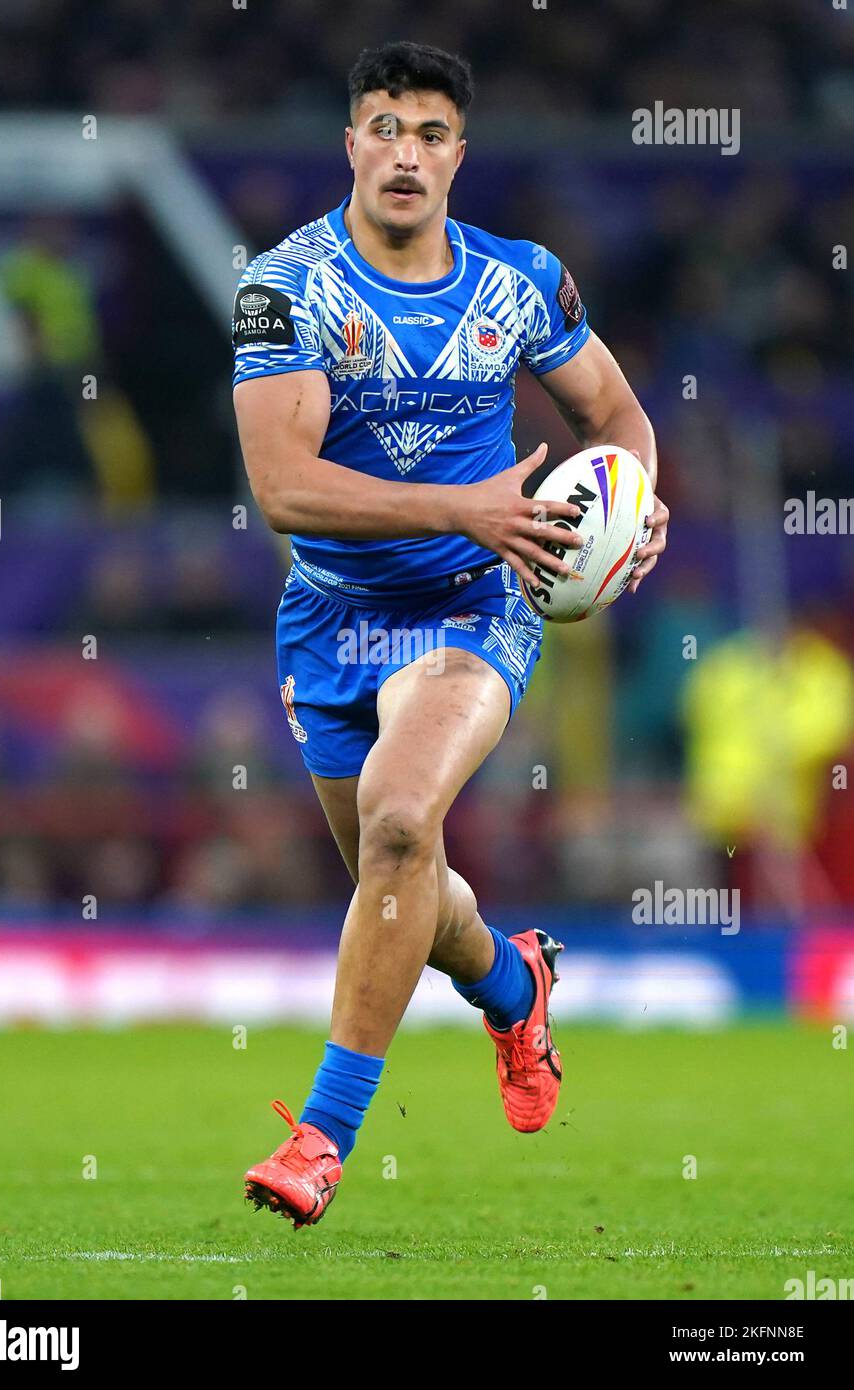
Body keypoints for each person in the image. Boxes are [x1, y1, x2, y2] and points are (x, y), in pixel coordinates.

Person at [231, 41, 668, 1228]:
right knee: (403, 883)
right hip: (331, 617)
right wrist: (461, 500)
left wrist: (631, 500)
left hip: (479, 599)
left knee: (398, 817)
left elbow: (616, 413)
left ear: (458, 157)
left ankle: (321, 1138)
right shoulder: (288, 288)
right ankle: (513, 982)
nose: (406, 153)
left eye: (430, 134)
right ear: (350, 145)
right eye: (384, 127)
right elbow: (283, 485)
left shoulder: (519, 281)